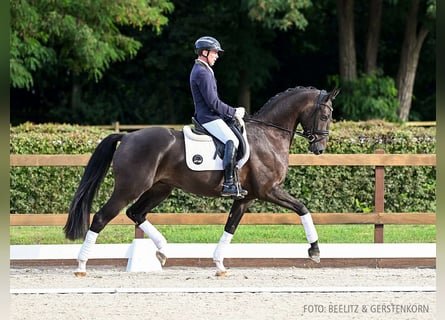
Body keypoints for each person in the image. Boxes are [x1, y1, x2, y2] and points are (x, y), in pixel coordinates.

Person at [189, 36, 247, 199]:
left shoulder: (204, 69)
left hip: (211, 115)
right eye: (214, 52)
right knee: (232, 141)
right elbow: (213, 102)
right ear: (204, 52)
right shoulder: (202, 72)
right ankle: (228, 183)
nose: (217, 56)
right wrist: (233, 111)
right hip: (208, 117)